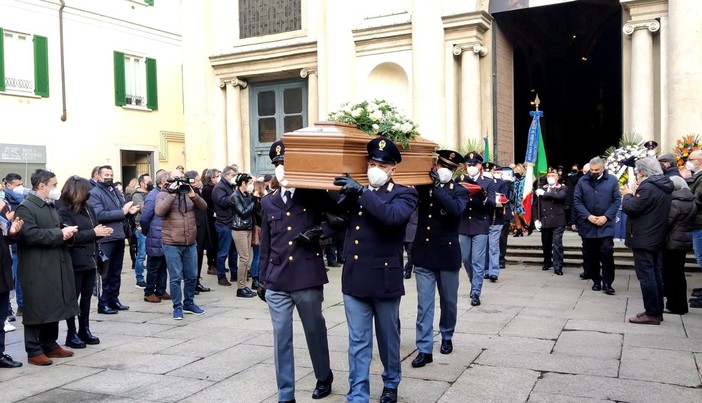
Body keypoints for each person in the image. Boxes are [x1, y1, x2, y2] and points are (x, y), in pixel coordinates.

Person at [333, 136, 419, 403]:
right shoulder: (356, 190)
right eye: (371, 162)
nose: (376, 168)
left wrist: (362, 193)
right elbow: (338, 220)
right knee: (358, 342)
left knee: (387, 339)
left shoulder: (405, 193)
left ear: (394, 168)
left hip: (384, 278)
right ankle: (357, 394)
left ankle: (391, 381)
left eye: (383, 165)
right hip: (355, 277)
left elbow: (391, 217)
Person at [258, 140, 337, 402]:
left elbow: (339, 219)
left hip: (307, 276)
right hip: (277, 278)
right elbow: (266, 242)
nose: (282, 168)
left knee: (314, 330)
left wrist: (319, 233)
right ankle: (286, 394)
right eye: (278, 164)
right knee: (282, 337)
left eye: (286, 163)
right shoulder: (268, 202)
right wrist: (261, 278)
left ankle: (324, 376)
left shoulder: (311, 193)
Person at [410, 149, 467, 369]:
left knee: (448, 302)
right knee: (424, 305)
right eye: (442, 166)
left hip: (447, 254)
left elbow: (454, 211)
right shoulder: (423, 188)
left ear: (455, 171)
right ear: (435, 166)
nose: (445, 170)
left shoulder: (459, 191)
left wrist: (437, 188)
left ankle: (446, 335)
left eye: (450, 168)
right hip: (424, 252)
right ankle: (424, 348)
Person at [15, 169, 80, 366]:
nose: (56, 188)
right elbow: (31, 235)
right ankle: (34, 350)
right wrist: (60, 234)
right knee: (37, 307)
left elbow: (56, 228)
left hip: (55, 263)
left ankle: (50, 344)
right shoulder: (26, 207)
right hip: (37, 266)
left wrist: (66, 233)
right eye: (53, 184)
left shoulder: (49, 205)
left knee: (54, 304)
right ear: (41, 185)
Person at [58, 176, 114, 348]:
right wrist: (94, 233)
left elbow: (94, 228)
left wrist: (101, 231)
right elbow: (69, 237)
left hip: (90, 258)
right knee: (73, 298)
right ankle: (71, 333)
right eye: (86, 191)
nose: (89, 193)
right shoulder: (62, 210)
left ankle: (85, 329)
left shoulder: (87, 208)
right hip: (73, 260)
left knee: (87, 297)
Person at [620, 157, 673, 324]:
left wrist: (628, 195)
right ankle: (656, 311)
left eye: (636, 172)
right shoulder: (663, 185)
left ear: (642, 172)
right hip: (656, 236)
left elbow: (632, 208)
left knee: (647, 275)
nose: (636, 175)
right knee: (655, 273)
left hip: (645, 237)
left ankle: (652, 313)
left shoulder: (649, 187)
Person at [155, 170, 208, 320]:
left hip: (190, 241)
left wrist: (193, 195)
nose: (179, 181)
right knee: (175, 277)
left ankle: (189, 303)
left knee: (192, 275)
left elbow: (204, 207)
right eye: (175, 178)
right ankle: (177, 306)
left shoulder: (188, 193)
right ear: (169, 180)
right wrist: (172, 194)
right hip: (171, 242)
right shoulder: (162, 195)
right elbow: (159, 211)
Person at [89, 165, 139, 314]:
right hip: (106, 237)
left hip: (118, 235)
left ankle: (114, 299)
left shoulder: (115, 190)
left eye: (111, 174)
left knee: (116, 271)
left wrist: (128, 212)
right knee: (106, 272)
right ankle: (103, 303)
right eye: (106, 174)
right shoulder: (95, 193)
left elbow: (120, 211)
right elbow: (99, 215)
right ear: (97, 176)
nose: (109, 177)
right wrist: (122, 212)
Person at [573, 157, 622, 295]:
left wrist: (606, 216)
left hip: (605, 223)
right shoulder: (582, 181)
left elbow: (616, 200)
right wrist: (588, 216)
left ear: (603, 168)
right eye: (592, 170)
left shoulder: (612, 180)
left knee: (606, 252)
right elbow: (577, 201)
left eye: (597, 170)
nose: (593, 172)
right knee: (592, 254)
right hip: (588, 224)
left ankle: (608, 282)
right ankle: (596, 280)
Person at [457, 152, 496, 307]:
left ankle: (476, 292)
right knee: (466, 259)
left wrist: (484, 196)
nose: (471, 167)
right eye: (469, 165)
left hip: (480, 224)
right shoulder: (460, 181)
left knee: (477, 261)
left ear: (480, 165)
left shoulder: (488, 182)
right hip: (464, 224)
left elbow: (493, 203)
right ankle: (474, 282)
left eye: (474, 164)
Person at [662, 175, 695, 314]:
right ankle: (679, 305)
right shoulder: (689, 200)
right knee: (678, 274)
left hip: (673, 242)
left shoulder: (676, 202)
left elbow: (667, 222)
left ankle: (676, 305)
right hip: (683, 240)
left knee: (672, 274)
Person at [140, 170, 171, 304]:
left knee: (163, 264)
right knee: (154, 266)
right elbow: (145, 218)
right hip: (156, 234)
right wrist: (148, 232)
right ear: (162, 181)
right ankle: (149, 292)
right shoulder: (153, 196)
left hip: (164, 233)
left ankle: (161, 290)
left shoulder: (165, 193)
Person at [0, 196, 23, 368]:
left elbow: (6, 240)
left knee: (0, 319)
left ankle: (0, 354)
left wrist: (13, 231)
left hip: (3, 274)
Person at [535, 170, 568, 275]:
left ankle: (558, 266)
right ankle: (547, 261)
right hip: (545, 219)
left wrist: (544, 193)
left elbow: (559, 196)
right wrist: (536, 219)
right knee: (546, 243)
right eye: (548, 176)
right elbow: (536, 206)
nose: (550, 177)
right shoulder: (542, 188)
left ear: (557, 177)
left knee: (557, 244)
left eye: (552, 176)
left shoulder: (562, 188)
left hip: (558, 220)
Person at [3, 173, 26, 320]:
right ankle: (8, 309)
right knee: (10, 278)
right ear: (8, 185)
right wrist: (7, 218)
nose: (20, 188)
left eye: (20, 185)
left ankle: (21, 306)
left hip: (19, 241)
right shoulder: (4, 201)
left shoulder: (23, 199)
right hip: (9, 245)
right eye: (17, 185)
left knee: (20, 277)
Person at [230, 172, 256, 298]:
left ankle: (244, 286)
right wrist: (254, 201)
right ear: (243, 183)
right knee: (244, 258)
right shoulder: (235, 196)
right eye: (249, 183)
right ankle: (240, 287)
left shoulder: (246, 195)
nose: (251, 185)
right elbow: (243, 212)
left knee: (247, 258)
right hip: (239, 229)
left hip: (247, 228)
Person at [212, 166, 239, 286]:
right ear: (226, 175)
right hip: (224, 224)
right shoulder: (219, 188)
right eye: (233, 176)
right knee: (223, 252)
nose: (234, 178)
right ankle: (221, 276)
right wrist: (236, 195)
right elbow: (222, 202)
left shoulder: (231, 186)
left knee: (233, 252)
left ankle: (234, 274)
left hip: (232, 223)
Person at [186, 170, 211, 294]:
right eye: (197, 179)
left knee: (200, 255)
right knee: (193, 257)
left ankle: (197, 281)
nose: (199, 181)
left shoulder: (197, 191)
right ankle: (191, 283)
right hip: (195, 228)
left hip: (202, 227)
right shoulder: (186, 191)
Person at [483, 162, 506, 282]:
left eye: (490, 170)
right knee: (484, 246)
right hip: (482, 220)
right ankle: (486, 270)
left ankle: (494, 271)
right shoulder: (479, 183)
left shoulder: (501, 183)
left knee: (493, 246)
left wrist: (494, 198)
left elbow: (505, 198)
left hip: (495, 219)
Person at [131, 174, 152, 289]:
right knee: (141, 255)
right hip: (141, 228)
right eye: (148, 181)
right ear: (142, 183)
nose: (150, 183)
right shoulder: (137, 196)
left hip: (151, 227)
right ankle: (139, 279)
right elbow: (145, 209)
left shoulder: (150, 193)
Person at [201, 168, 220, 275]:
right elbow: (207, 205)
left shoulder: (216, 187)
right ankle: (211, 264)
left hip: (216, 217)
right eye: (215, 177)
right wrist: (214, 212)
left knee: (216, 243)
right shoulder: (207, 189)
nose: (217, 179)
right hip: (210, 218)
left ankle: (217, 264)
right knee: (212, 243)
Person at [402, 207, 418, 279]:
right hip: (406, 235)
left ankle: (407, 271)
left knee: (410, 255)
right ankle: (406, 270)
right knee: (410, 255)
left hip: (412, 235)